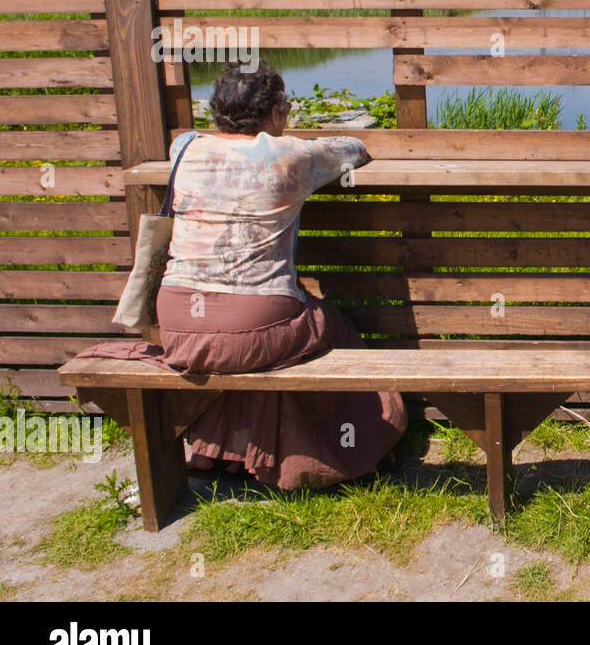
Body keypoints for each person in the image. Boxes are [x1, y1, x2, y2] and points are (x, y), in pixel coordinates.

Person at [151, 60, 406, 488]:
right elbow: (354, 149)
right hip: (252, 326)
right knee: (317, 328)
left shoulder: (186, 147)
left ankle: (224, 452)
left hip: (177, 326)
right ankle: (344, 451)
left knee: (254, 342)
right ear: (272, 114)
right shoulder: (291, 155)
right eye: (284, 107)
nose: (286, 114)